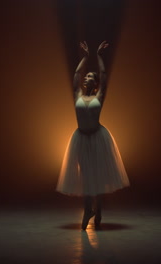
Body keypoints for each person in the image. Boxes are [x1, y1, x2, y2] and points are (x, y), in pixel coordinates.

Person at [56, 41, 130, 230]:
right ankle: (89, 209)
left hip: (97, 138)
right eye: (86, 76)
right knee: (88, 176)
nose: (86, 78)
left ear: (95, 84)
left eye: (90, 76)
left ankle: (98, 209)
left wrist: (98, 57)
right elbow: (75, 75)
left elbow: (104, 76)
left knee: (96, 176)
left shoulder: (98, 97)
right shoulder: (78, 95)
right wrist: (84, 58)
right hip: (81, 138)